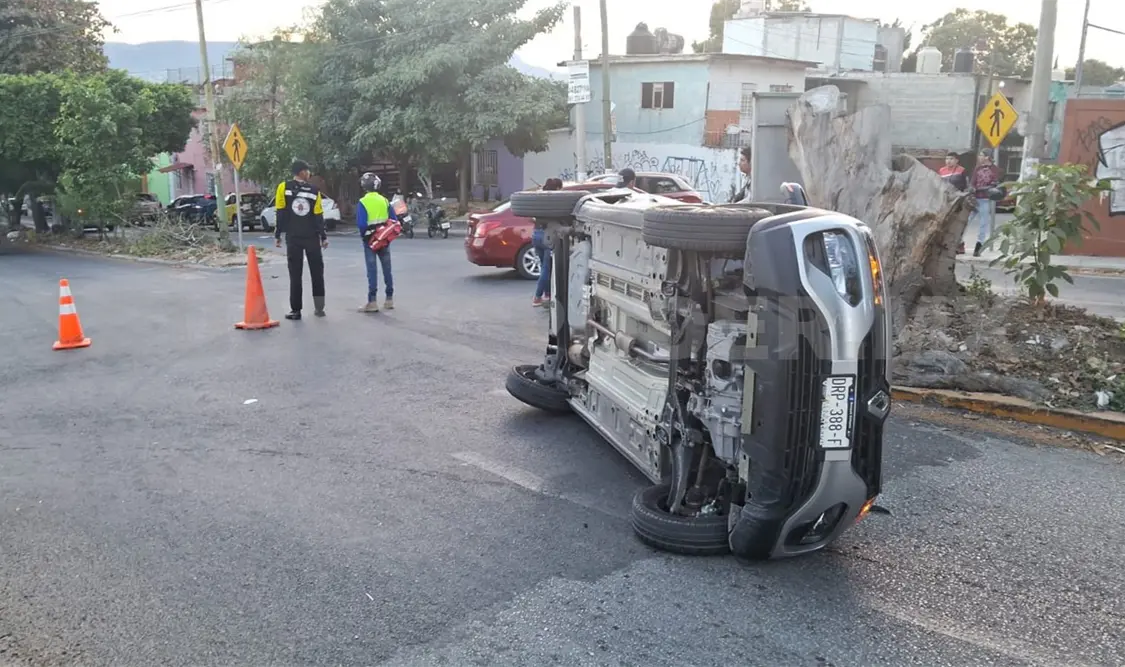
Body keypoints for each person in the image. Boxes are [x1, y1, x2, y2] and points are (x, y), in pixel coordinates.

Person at [274, 159, 328, 320]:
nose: (309, 173)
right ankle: (319, 308)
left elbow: (281, 213)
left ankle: (295, 311)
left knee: (295, 274)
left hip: (293, 238)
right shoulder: (314, 191)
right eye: (307, 170)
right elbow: (318, 216)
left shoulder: (283, 188)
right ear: (302, 172)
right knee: (317, 273)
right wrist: (323, 237)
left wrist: (278, 235)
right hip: (311, 237)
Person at [356, 172, 399, 313]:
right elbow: (393, 219)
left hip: (370, 241)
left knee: (372, 270)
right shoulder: (385, 201)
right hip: (384, 239)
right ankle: (389, 299)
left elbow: (361, 224)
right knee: (387, 269)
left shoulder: (363, 202)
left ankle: (372, 301)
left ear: (364, 186)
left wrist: (366, 235)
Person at [532, 177, 563, 307]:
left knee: (544, 267)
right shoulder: (554, 202)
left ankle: (547, 294)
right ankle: (537, 297)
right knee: (547, 268)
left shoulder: (539, 199)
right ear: (557, 188)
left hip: (536, 235)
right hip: (547, 236)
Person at [969, 151, 1002, 257]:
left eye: (981, 155)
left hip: (985, 199)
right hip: (974, 199)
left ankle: (979, 245)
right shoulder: (977, 168)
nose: (979, 157)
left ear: (987, 157)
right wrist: (972, 188)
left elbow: (994, 184)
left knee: (983, 224)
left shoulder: (994, 169)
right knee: (966, 221)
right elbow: (972, 182)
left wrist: (978, 189)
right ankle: (958, 242)